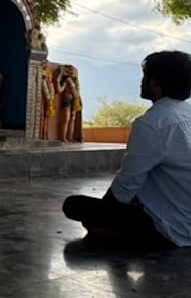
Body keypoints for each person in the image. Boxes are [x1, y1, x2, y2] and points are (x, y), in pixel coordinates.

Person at [63, 50, 191, 248]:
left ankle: (115, 232)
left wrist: (103, 215)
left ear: (155, 83)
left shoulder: (151, 124)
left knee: (73, 205)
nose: (141, 82)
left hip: (173, 229)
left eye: (145, 77)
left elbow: (127, 184)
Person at [55, 64, 81, 142]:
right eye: (69, 69)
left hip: (75, 100)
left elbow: (77, 92)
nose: (71, 71)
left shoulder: (75, 80)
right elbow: (59, 90)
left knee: (72, 119)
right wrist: (58, 79)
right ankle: (63, 137)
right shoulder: (66, 80)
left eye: (72, 69)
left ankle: (69, 137)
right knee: (66, 118)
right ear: (66, 71)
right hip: (67, 99)